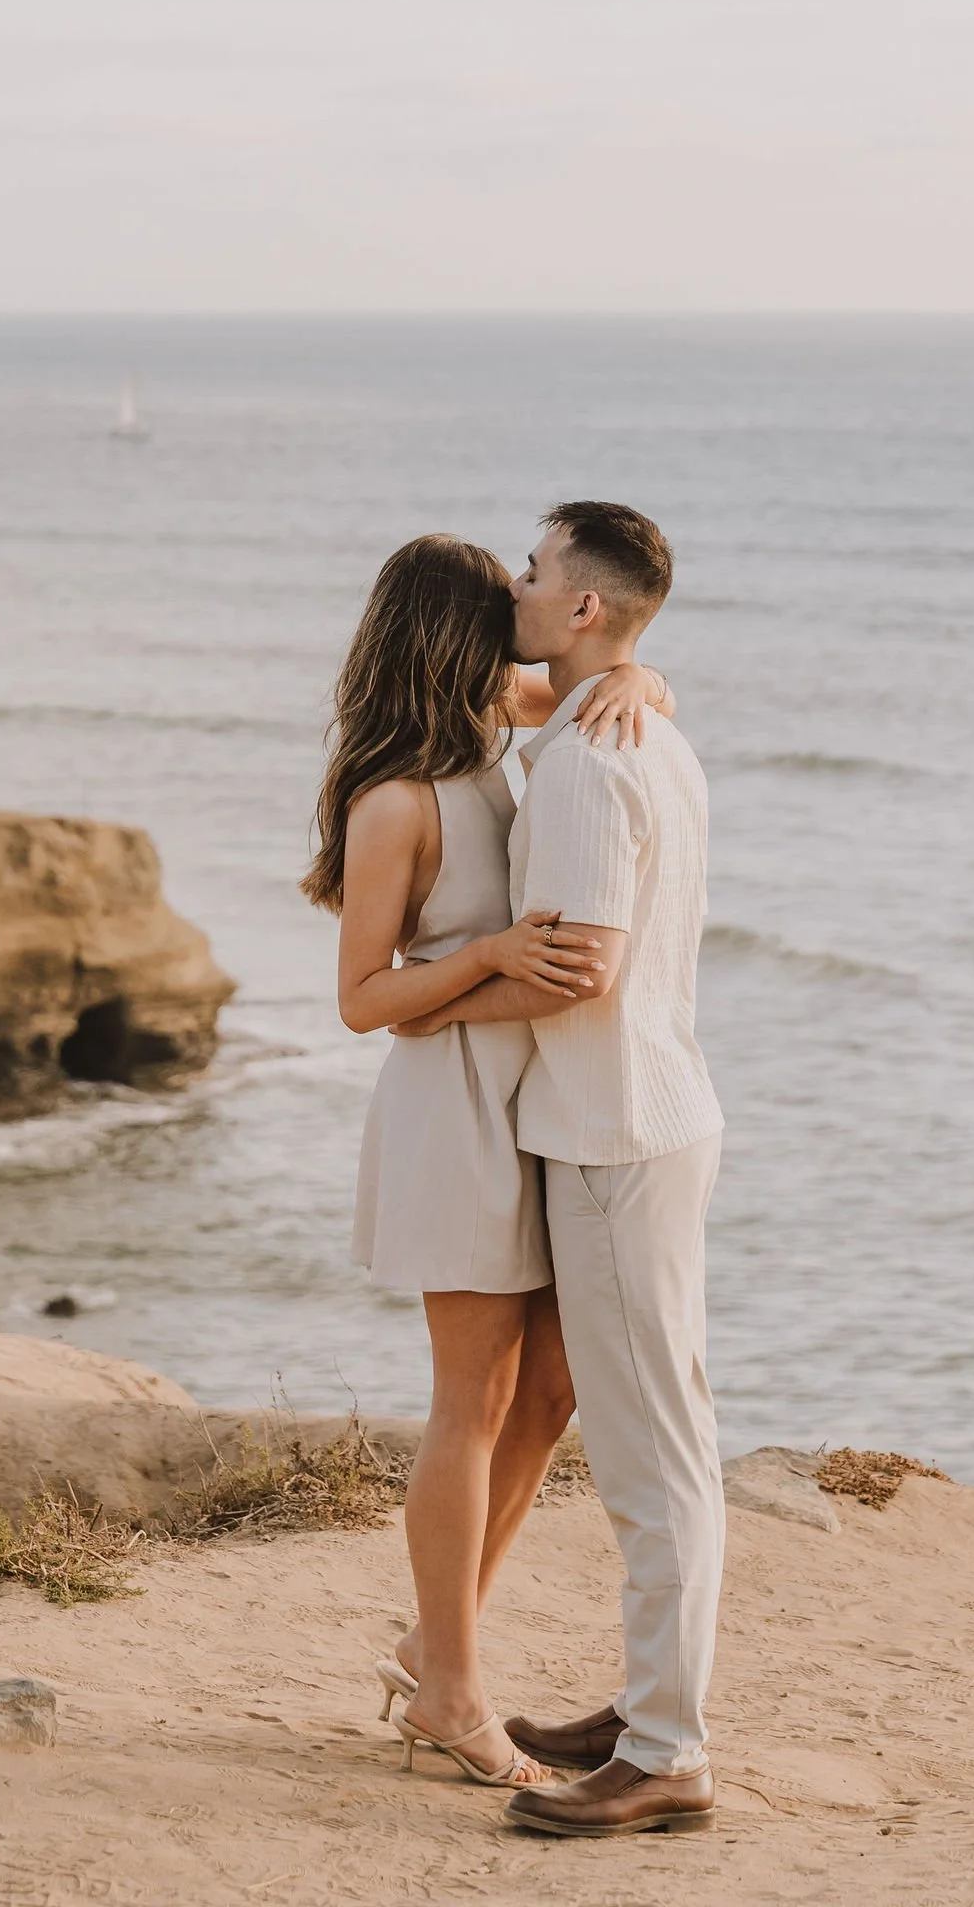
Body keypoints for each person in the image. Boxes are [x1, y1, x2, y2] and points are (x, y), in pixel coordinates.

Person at [303, 532, 673, 1790]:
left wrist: (640, 681)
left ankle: (431, 1636)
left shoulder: (495, 725)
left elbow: (605, 676)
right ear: (458, 630)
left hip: (528, 1099)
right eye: (500, 598)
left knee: (551, 1387)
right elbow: (362, 997)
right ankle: (453, 1689)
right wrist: (491, 960)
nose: (525, 606)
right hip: (450, 1112)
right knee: (471, 1399)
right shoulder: (396, 797)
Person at [386, 503, 723, 1839]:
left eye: (533, 573)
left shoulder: (588, 763)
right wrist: (637, 669)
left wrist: (425, 1000)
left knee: (655, 1460)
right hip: (643, 1120)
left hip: (609, 1135)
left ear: (585, 608)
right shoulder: (641, 726)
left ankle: (667, 1755)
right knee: (652, 1435)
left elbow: (576, 966)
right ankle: (648, 1714)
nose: (516, 585)